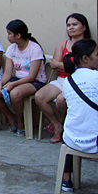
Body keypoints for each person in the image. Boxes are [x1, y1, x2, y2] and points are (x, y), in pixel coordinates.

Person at [35, 13, 91, 144]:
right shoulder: (62, 44)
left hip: (79, 82)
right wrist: (74, 66)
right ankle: (57, 125)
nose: (70, 28)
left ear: (84, 27)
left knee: (61, 100)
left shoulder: (89, 46)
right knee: (39, 96)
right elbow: (54, 65)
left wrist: (64, 65)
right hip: (61, 80)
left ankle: (63, 122)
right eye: (68, 25)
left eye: (74, 24)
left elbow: (88, 68)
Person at [0, 19, 47, 135]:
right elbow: (8, 73)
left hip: (36, 81)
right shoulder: (12, 49)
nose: (8, 36)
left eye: (10, 33)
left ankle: (21, 121)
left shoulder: (35, 49)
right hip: (18, 79)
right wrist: (1, 84)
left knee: (15, 93)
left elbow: (32, 76)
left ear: (18, 35)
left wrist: (12, 84)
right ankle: (11, 117)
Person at [59, 38, 98, 192]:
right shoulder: (96, 77)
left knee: (76, 123)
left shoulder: (68, 81)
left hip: (72, 138)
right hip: (94, 141)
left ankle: (66, 179)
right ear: (85, 58)